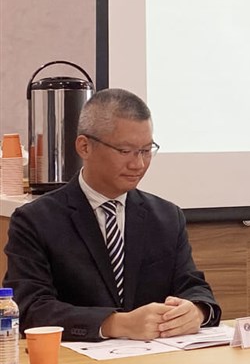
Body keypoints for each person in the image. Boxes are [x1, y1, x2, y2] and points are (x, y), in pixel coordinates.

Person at [3, 88, 220, 341]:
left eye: (146, 150)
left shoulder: (166, 216)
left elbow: (193, 286)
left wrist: (198, 310)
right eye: (125, 151)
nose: (138, 164)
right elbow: (29, 308)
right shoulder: (35, 220)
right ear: (84, 147)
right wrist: (115, 324)